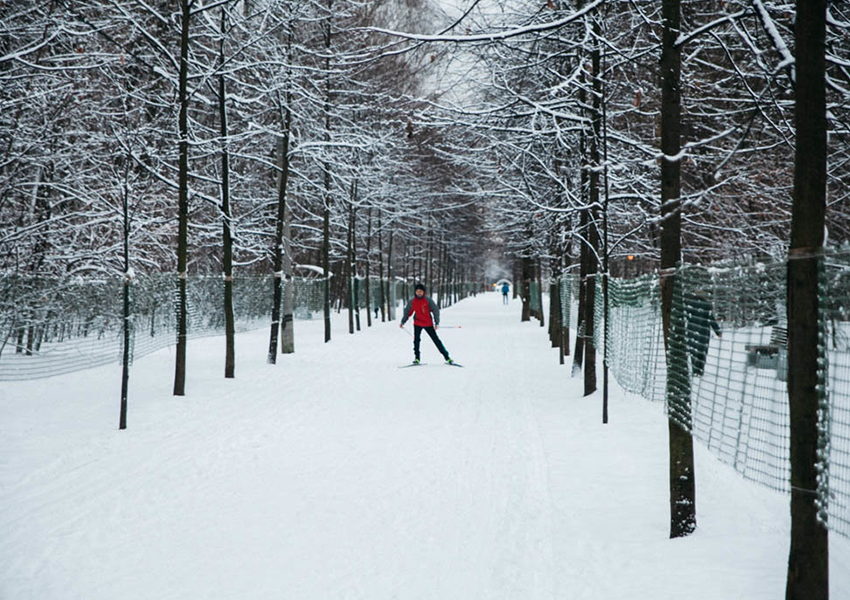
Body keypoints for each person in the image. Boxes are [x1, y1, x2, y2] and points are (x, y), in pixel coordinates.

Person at [400, 283, 453, 364]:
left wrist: (436, 322)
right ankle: (417, 358)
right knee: (416, 340)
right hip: (417, 323)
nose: (419, 293)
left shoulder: (428, 300)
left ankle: (447, 357)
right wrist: (403, 322)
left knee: (436, 340)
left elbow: (435, 310)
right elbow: (407, 312)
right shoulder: (412, 301)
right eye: (417, 291)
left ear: (423, 292)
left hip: (428, 323)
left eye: (420, 291)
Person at [684, 290, 721, 377]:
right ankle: (700, 370)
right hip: (703, 332)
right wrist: (717, 331)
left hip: (691, 331)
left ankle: (695, 370)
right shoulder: (707, 305)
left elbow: (685, 317)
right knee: (702, 351)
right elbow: (710, 319)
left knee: (693, 351)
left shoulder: (689, 304)